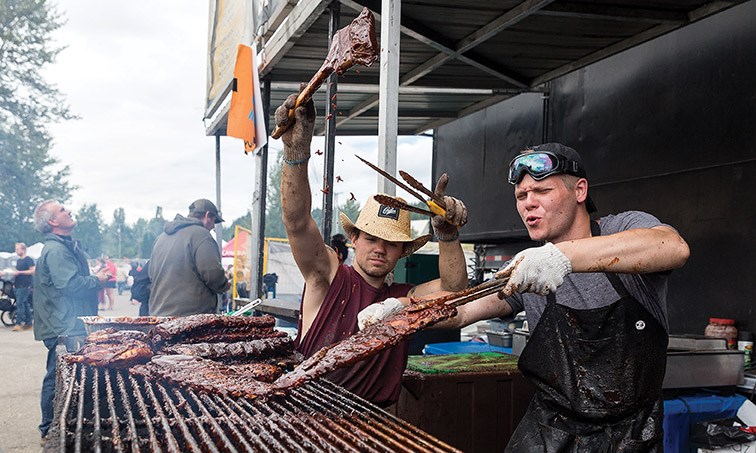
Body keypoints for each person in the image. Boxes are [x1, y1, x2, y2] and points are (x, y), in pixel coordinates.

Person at [362, 143, 691, 450]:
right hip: (550, 429)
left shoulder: (624, 228)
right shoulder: (526, 268)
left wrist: (561, 258)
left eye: (542, 191)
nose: (528, 203)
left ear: (580, 190)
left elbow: (672, 247)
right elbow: (462, 310)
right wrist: (400, 310)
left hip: (631, 434)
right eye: (521, 195)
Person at [274, 91, 470, 407]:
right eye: (372, 238)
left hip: (374, 425)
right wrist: (296, 152)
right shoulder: (327, 276)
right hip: (307, 417)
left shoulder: (406, 300)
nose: (380, 249)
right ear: (355, 240)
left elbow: (453, 288)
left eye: (390, 243)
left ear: (402, 252)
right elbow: (296, 221)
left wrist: (446, 236)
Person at [32, 200, 111, 443]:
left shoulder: (65, 246)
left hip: (70, 321)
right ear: (53, 222)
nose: (69, 211)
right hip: (62, 324)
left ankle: (69, 421)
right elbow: (70, 285)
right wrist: (97, 279)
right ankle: (47, 429)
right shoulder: (56, 250)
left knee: (68, 374)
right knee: (56, 375)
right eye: (63, 210)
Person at [148, 199, 229, 316]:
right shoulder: (202, 235)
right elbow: (212, 274)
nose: (212, 228)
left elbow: (151, 275)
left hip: (159, 315)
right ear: (208, 216)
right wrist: (225, 285)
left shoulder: (161, 238)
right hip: (190, 318)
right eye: (214, 221)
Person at [12, 242, 35, 331]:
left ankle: (18, 323)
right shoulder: (19, 261)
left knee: (20, 304)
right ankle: (29, 322)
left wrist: (20, 272)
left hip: (25, 285)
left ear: (23, 249)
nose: (16, 251)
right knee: (25, 304)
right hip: (18, 284)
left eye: (18, 249)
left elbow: (32, 271)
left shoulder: (28, 259)